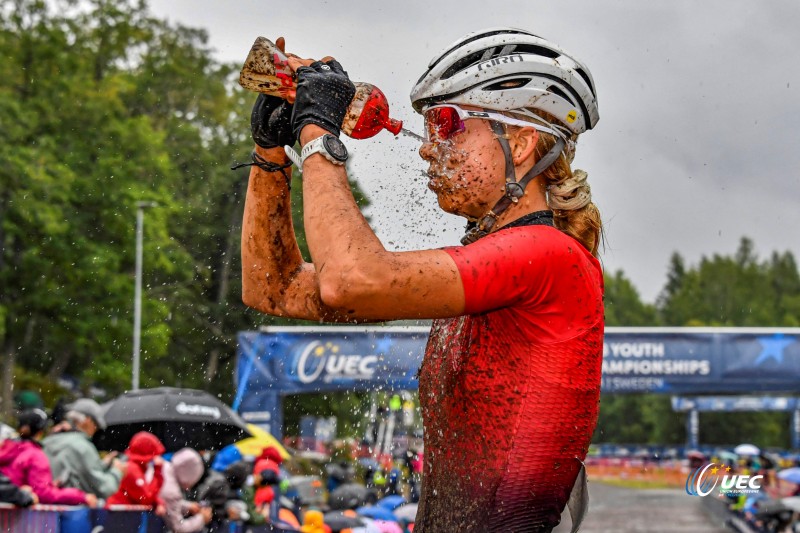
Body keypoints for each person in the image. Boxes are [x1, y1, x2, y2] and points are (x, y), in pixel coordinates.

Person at [240, 27, 603, 532]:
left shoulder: (549, 256)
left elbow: (349, 280)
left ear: (520, 144)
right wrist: (270, 153)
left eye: (449, 125)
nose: (428, 150)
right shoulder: (490, 262)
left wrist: (318, 136)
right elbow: (271, 287)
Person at [0, 409, 97, 506]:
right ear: (41, 432)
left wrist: (49, 485)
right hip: (21, 518)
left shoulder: (5, 448)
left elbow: (10, 484)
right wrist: (81, 496)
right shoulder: (35, 455)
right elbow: (43, 494)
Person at [42, 398, 125, 498]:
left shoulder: (47, 442)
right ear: (88, 420)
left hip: (44, 510)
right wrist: (116, 471)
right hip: (74, 510)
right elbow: (104, 488)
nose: (95, 430)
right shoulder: (83, 447)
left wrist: (103, 464)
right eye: (96, 425)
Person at [159, 447, 213, 533]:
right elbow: (178, 528)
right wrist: (202, 519)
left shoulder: (164, 467)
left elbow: (166, 503)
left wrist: (188, 507)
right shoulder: (172, 491)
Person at [106, 431, 165, 509]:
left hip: (123, 517)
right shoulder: (131, 469)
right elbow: (146, 498)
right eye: (154, 455)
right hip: (120, 517)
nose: (156, 458)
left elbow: (141, 495)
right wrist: (157, 472)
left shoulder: (135, 466)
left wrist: (157, 503)